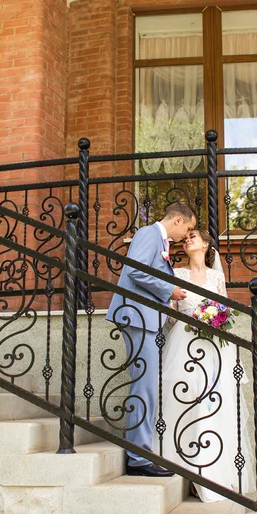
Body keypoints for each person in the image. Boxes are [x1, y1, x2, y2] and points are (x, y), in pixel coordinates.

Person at [154, 229, 255, 501]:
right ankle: (180, 463)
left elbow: (225, 309)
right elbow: (171, 313)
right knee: (183, 396)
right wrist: (189, 318)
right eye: (185, 239)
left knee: (213, 401)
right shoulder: (177, 274)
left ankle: (210, 470)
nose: (188, 241)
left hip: (213, 346)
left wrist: (214, 320)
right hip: (183, 342)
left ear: (207, 245)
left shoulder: (216, 277)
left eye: (193, 237)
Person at [106, 202, 197, 477]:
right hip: (136, 317)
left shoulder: (160, 240)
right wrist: (169, 289)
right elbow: (134, 269)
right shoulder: (148, 233)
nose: (186, 235)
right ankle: (139, 457)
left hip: (145, 319)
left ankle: (140, 453)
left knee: (145, 385)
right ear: (178, 220)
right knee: (144, 386)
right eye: (189, 229)